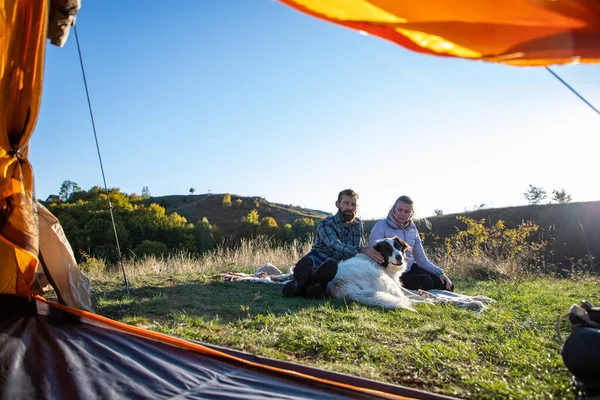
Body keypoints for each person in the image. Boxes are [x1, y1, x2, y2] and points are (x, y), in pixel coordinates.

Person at [282, 189, 383, 299]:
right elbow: (334, 244)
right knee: (312, 266)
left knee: (334, 271)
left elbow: (353, 251)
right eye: (346, 203)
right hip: (319, 258)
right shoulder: (325, 224)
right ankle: (306, 283)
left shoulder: (358, 224)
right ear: (337, 204)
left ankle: (312, 286)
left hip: (340, 263)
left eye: (353, 204)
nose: (350, 208)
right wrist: (361, 250)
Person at [369, 195, 454, 291]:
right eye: (400, 210)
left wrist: (440, 273)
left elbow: (422, 260)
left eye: (406, 211)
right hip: (390, 273)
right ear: (394, 209)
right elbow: (374, 252)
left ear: (411, 213)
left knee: (445, 284)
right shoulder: (381, 225)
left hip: (408, 268)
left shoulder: (413, 230)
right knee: (426, 282)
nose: (402, 214)